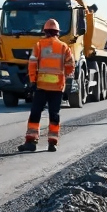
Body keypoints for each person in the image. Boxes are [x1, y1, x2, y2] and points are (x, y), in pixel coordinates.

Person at [19, 18, 74, 153]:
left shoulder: (39, 45)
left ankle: (31, 142)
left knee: (35, 114)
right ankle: (52, 143)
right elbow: (70, 66)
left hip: (41, 87)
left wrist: (33, 81)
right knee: (54, 115)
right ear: (57, 32)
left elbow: (32, 64)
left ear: (45, 31)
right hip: (57, 88)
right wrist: (63, 77)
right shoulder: (64, 47)